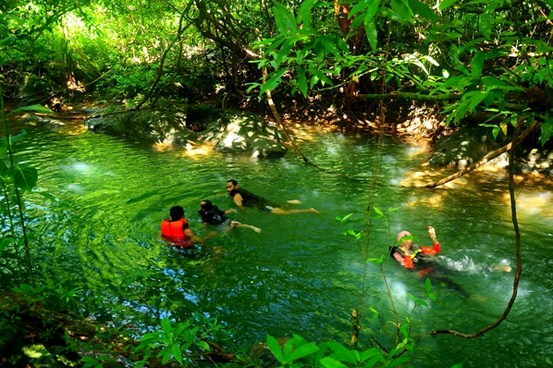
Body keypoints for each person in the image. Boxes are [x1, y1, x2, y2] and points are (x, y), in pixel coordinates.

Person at [390, 226, 470, 297]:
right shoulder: (397, 254)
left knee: (452, 271)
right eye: (406, 239)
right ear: (400, 241)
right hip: (421, 273)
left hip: (431, 266)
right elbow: (409, 267)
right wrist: (406, 251)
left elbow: (435, 250)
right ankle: (467, 295)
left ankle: (469, 275)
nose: (409, 241)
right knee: (445, 281)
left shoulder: (416, 247)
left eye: (410, 238)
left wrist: (433, 237)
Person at [225, 179, 319, 215]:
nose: (228, 189)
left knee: (284, 213)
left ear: (235, 186)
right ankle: (290, 202)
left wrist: (245, 212)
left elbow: (240, 207)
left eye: (230, 187)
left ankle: (308, 210)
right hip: (263, 201)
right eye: (227, 187)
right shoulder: (241, 190)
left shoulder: (236, 195)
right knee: (281, 206)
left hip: (261, 206)